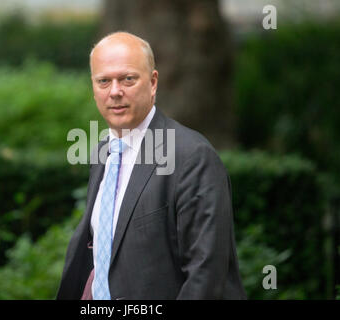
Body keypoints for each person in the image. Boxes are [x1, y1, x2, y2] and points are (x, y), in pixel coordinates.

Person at [56, 31, 246, 300]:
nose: (115, 92)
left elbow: (205, 274)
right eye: (103, 81)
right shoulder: (103, 153)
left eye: (128, 79)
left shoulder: (192, 156)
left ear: (153, 82)